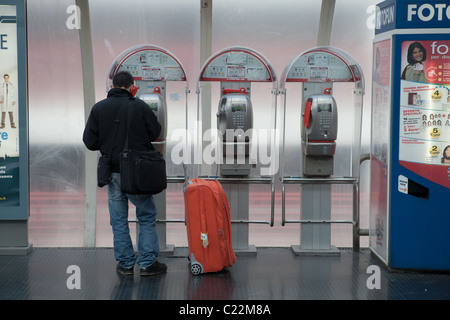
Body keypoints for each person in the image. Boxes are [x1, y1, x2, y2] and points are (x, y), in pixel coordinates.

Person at [83, 71, 167, 276]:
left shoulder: (99, 108)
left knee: (118, 219)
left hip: (112, 173)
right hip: (137, 173)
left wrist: (108, 143)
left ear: (112, 86)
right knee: (146, 215)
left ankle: (126, 264)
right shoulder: (139, 106)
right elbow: (156, 132)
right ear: (132, 87)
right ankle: (147, 263)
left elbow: (90, 141)